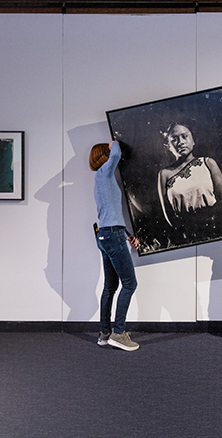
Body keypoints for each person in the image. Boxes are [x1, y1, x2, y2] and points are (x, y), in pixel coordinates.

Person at [90, 140, 140, 351]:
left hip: (107, 234)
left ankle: (105, 334)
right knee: (130, 284)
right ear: (105, 156)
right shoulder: (104, 172)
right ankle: (118, 334)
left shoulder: (102, 179)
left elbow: (110, 213)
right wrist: (113, 143)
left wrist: (127, 234)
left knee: (110, 286)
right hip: (112, 235)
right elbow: (117, 153)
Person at [157, 123, 222, 244]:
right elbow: (167, 211)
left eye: (184, 136)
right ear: (168, 146)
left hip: (214, 227)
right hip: (186, 234)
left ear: (193, 140)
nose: (180, 142)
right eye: (174, 139)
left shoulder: (208, 163)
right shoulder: (164, 174)